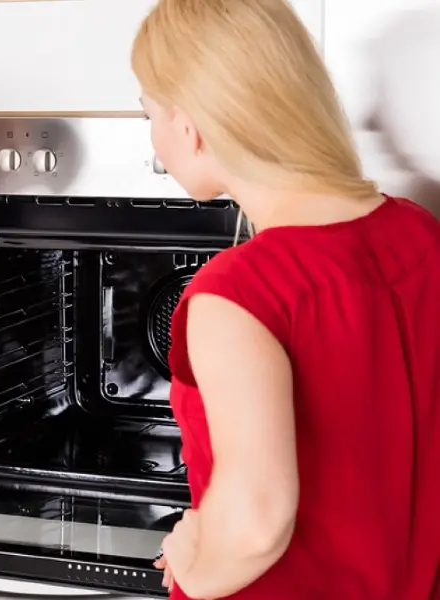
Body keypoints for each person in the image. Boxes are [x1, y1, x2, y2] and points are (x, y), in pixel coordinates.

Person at [130, 1, 440, 599]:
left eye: (148, 113)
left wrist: (190, 556)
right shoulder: (420, 235)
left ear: (190, 125)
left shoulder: (235, 294)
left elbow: (255, 526)